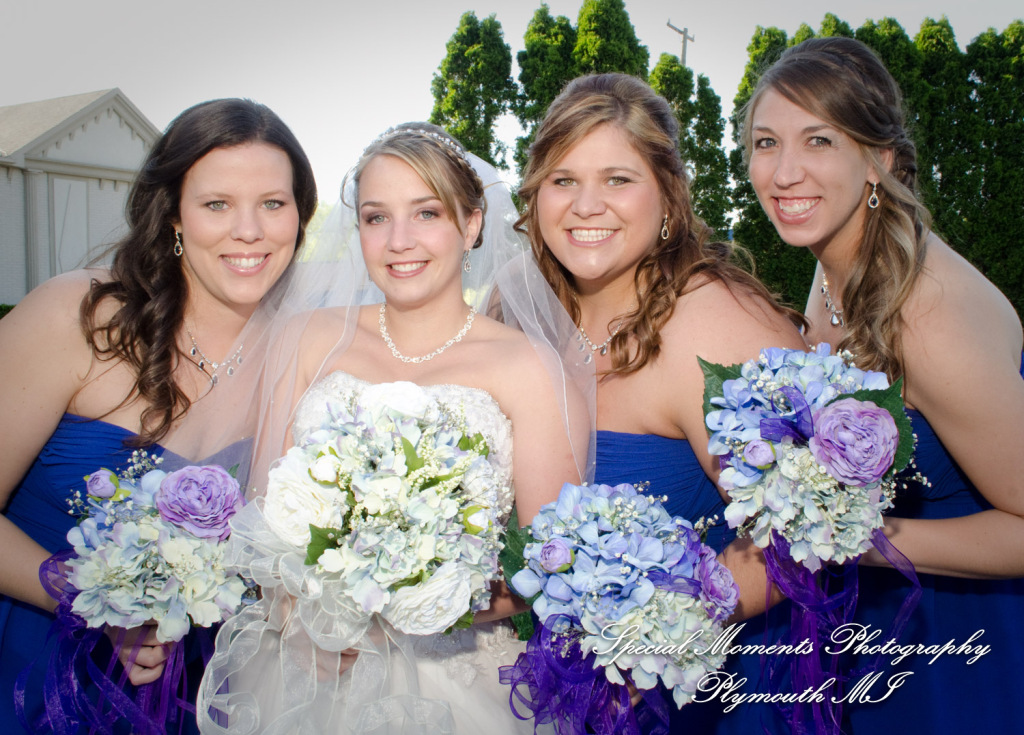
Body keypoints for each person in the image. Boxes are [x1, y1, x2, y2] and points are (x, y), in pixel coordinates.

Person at [196, 123, 592, 734]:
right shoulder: (309, 338)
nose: (399, 241)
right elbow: (259, 521)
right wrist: (302, 615)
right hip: (306, 666)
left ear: (471, 224)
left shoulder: (528, 367)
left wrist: (415, 605)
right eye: (377, 218)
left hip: (455, 681)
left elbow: (551, 567)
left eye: (426, 213)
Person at [0, 98, 317, 733]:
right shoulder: (76, 317)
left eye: (273, 204)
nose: (249, 230)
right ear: (173, 214)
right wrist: (83, 598)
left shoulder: (306, 358)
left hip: (196, 693)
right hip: (33, 669)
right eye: (217, 204)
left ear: (300, 218)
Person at [743, 36, 1024, 733]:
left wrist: (865, 538)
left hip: (956, 646)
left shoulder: (929, 314)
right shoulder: (832, 261)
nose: (784, 172)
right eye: (765, 142)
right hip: (869, 633)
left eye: (818, 141)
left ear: (881, 160)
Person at [518, 73, 807, 730]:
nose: (586, 205)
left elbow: (800, 530)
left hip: (702, 702)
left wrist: (647, 630)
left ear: (668, 196)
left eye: (618, 180)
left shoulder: (718, 326)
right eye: (563, 180)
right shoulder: (520, 317)